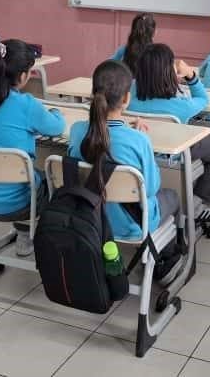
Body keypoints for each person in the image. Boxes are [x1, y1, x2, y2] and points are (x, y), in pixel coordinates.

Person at [0, 39, 64, 256]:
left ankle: (25, 234)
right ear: (24, 76)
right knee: (55, 180)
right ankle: (35, 239)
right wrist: (56, 111)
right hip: (15, 204)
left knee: (25, 174)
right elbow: (57, 127)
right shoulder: (25, 104)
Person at [68, 60, 183, 256]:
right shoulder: (138, 140)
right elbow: (152, 187)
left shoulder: (77, 130)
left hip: (86, 217)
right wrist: (141, 138)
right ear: (127, 98)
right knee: (172, 196)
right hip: (133, 225)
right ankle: (166, 259)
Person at [128, 44, 210, 215]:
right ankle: (198, 200)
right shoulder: (181, 106)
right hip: (176, 153)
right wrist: (191, 76)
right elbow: (204, 98)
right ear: (169, 72)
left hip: (140, 151)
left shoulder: (128, 94)